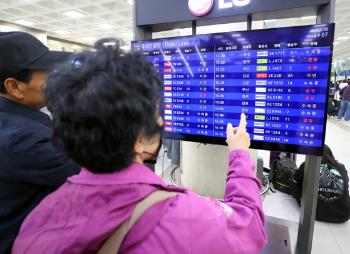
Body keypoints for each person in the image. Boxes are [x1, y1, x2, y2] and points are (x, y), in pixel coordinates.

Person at [12, 39, 267, 254]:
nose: (160, 122)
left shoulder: (40, 217)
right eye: (156, 116)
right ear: (140, 139)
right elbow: (249, 227)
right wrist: (239, 153)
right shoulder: (184, 216)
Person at [0, 31, 80, 253]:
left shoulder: (16, 122)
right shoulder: (23, 138)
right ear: (14, 86)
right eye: (48, 74)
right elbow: (94, 170)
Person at [292, 145, 350, 223]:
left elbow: (295, 180)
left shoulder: (308, 164)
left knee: (295, 183)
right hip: (343, 214)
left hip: (315, 214)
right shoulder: (341, 167)